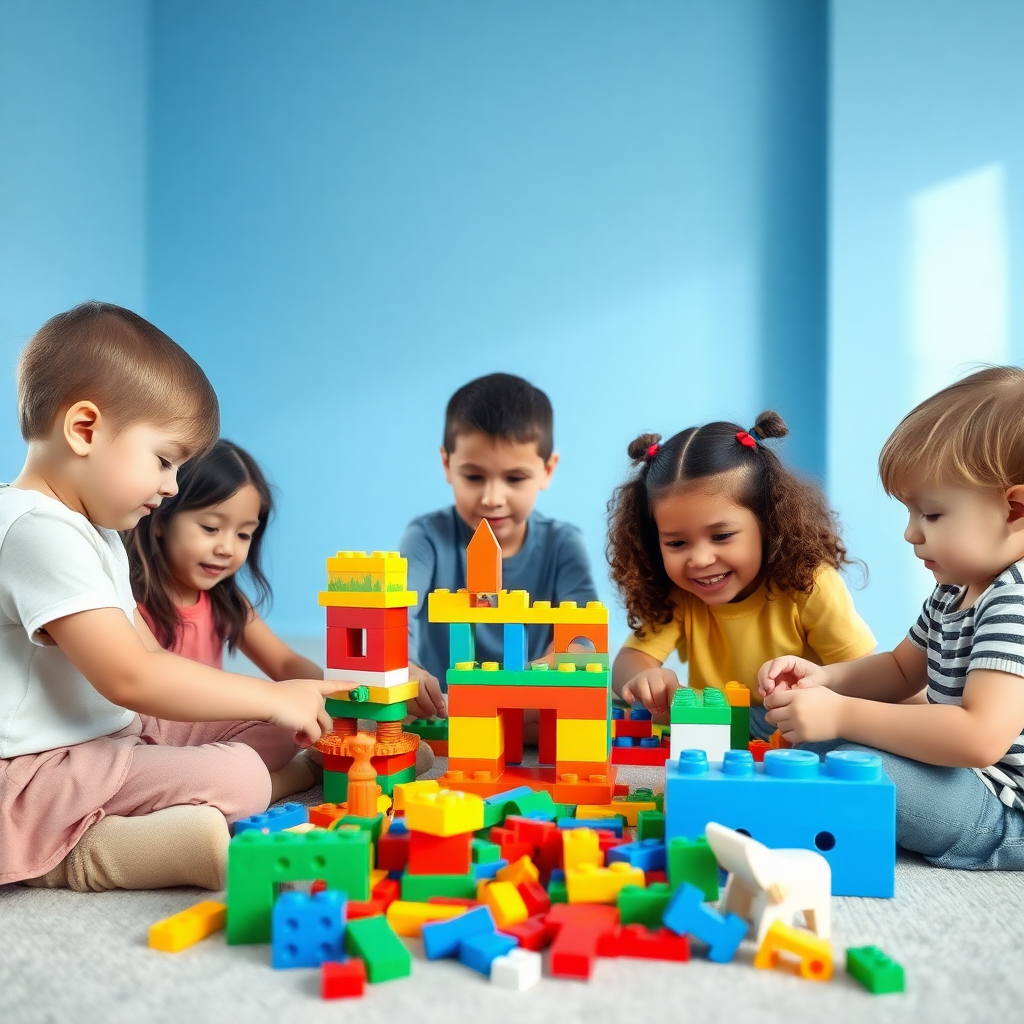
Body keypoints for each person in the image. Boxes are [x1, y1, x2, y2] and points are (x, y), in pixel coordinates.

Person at [0, 302, 341, 892]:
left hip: (107, 734)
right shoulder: (34, 529)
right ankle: (73, 854)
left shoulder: (96, 532)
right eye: (164, 460)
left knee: (268, 724)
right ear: (84, 429)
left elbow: (150, 661)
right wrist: (270, 694)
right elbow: (130, 675)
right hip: (35, 773)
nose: (171, 486)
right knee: (241, 775)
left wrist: (287, 695)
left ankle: (170, 819)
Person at [759, 367, 1024, 869]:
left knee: (850, 759)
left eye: (932, 515)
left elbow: (978, 737)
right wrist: (828, 679)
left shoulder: (1014, 604)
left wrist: (839, 713)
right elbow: (902, 670)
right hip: (962, 777)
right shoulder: (953, 588)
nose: (911, 534)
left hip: (1003, 813)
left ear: (1015, 510)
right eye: (909, 513)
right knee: (798, 725)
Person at [607, 412, 875, 739]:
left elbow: (867, 677)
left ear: (767, 524)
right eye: (677, 542)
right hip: (718, 727)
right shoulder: (681, 596)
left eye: (721, 536)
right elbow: (628, 663)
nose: (701, 560)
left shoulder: (809, 583)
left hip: (797, 725)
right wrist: (645, 679)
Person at [400, 373, 599, 721]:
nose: (493, 499)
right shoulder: (426, 537)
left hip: (524, 704)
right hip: (441, 707)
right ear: (447, 465)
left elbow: (585, 629)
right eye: (474, 477)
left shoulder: (563, 544)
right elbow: (398, 615)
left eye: (515, 478)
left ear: (547, 470)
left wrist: (570, 656)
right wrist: (406, 668)